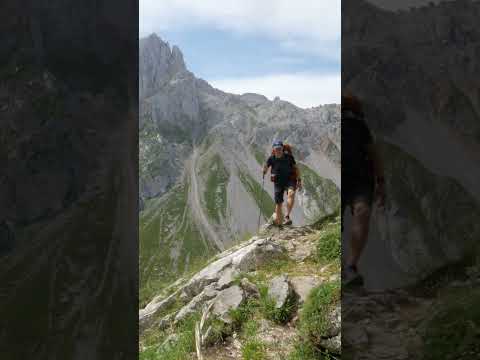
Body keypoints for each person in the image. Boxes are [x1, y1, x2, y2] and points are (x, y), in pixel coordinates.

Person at [342, 93, 385, 286]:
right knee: (361, 213)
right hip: (351, 179)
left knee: (362, 212)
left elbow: (373, 154)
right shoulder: (359, 125)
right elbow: (374, 155)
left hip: (361, 179)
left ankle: (350, 266)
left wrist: (381, 181)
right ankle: (344, 266)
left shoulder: (360, 127)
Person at [263, 140, 302, 227]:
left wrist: (299, 180)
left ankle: (287, 216)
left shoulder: (289, 157)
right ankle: (279, 224)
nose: (278, 150)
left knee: (291, 193)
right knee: (278, 204)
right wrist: (264, 171)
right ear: (274, 149)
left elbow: (296, 168)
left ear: (282, 148)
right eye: (276, 149)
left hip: (290, 179)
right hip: (278, 182)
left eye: (279, 148)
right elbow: (266, 165)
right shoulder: (271, 158)